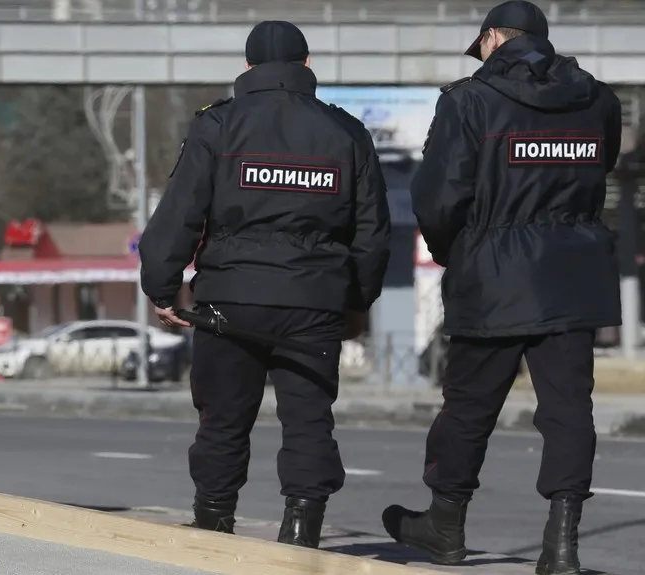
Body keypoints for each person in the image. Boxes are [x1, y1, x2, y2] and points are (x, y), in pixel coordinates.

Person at [380, 2, 623, 574]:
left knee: (469, 405)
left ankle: (445, 524)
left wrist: (457, 252)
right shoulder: (598, 99)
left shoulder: (468, 100)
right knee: (568, 407)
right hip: (574, 274)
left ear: (491, 38)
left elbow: (439, 197)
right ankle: (562, 543)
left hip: (493, 274)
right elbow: (601, 169)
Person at [137, 20, 391, 549]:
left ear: (248, 66)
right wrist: (355, 301)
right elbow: (371, 230)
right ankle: (301, 531)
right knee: (308, 419)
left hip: (230, 298)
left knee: (223, 417)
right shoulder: (346, 132)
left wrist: (162, 287)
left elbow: (181, 212)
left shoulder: (217, 125)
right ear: (306, 65)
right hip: (314, 301)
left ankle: (214, 524)